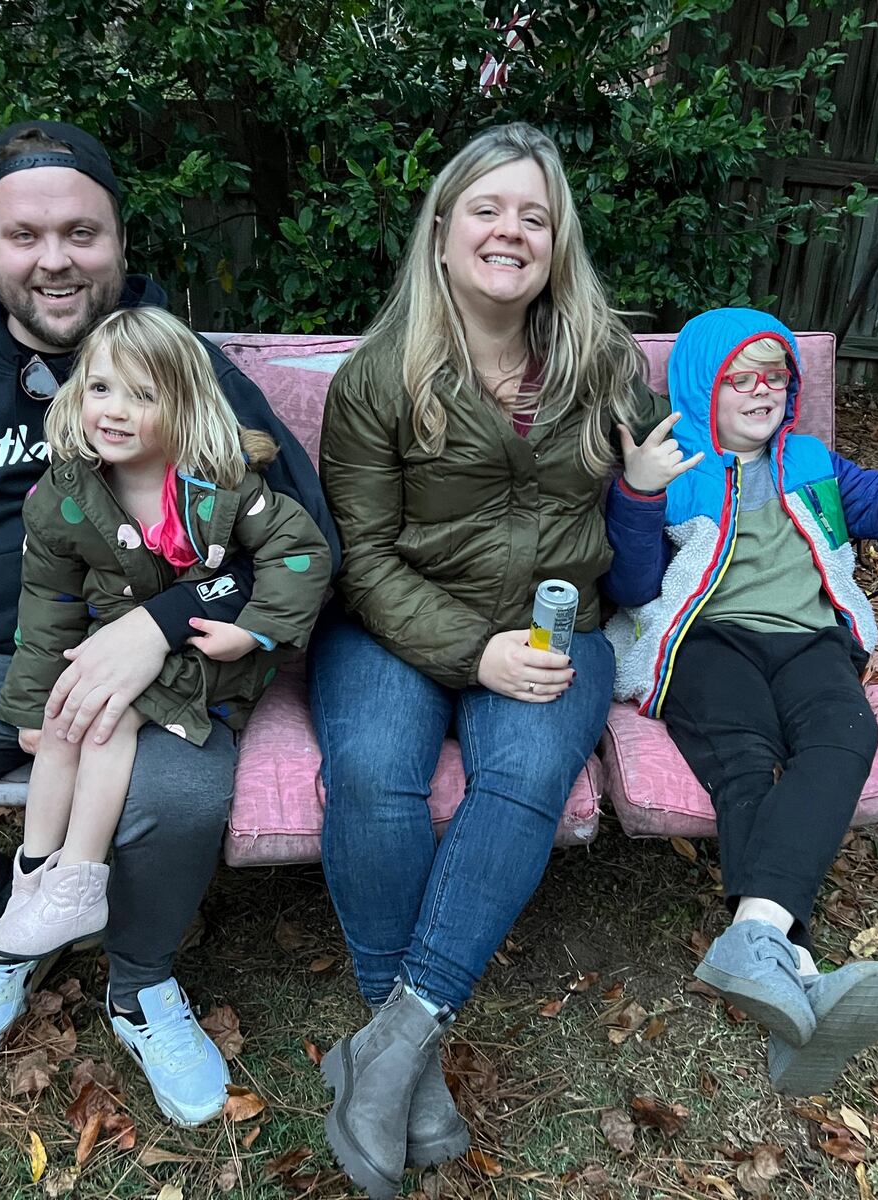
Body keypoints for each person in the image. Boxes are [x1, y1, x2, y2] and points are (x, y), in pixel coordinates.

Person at [0, 120, 338, 1122]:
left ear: (120, 241)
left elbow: (302, 540)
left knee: (176, 802)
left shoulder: (183, 367)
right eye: (24, 235)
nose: (54, 259)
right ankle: (10, 920)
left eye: (80, 233)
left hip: (151, 668)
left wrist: (161, 621)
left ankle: (138, 977)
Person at [308, 122, 670, 1199]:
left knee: (521, 777)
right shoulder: (378, 377)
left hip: (557, 628)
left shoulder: (604, 363)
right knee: (374, 773)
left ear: (558, 243)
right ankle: (402, 1065)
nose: (510, 230)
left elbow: (656, 505)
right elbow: (362, 561)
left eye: (535, 215)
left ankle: (389, 1046)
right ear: (442, 228)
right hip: (392, 625)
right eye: (487, 208)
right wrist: (475, 652)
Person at [0, 305, 330, 1114]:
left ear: (184, 404)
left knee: (107, 717)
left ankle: (81, 879)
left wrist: (258, 629)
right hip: (109, 649)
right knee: (68, 710)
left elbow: (301, 555)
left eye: (140, 395)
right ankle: (36, 880)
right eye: (99, 387)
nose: (113, 409)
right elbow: (49, 601)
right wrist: (33, 702)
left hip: (206, 661)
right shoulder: (65, 494)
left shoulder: (225, 483)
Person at [603, 307, 878, 1096]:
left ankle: (757, 940)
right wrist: (635, 497)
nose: (763, 389)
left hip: (810, 639)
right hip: (707, 638)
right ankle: (793, 963)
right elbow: (630, 587)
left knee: (844, 737)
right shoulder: (676, 468)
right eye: (742, 375)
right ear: (705, 386)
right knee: (745, 755)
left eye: (777, 373)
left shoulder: (812, 461)